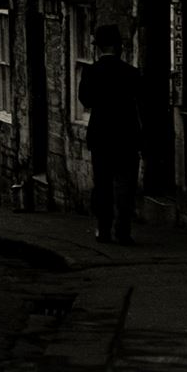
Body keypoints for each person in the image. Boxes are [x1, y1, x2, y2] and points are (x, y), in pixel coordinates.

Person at [78, 24, 142, 245]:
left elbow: (85, 100)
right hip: (126, 135)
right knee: (126, 184)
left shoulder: (91, 72)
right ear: (119, 46)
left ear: (99, 47)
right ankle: (123, 230)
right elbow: (141, 102)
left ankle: (103, 229)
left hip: (101, 135)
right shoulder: (131, 73)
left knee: (103, 183)